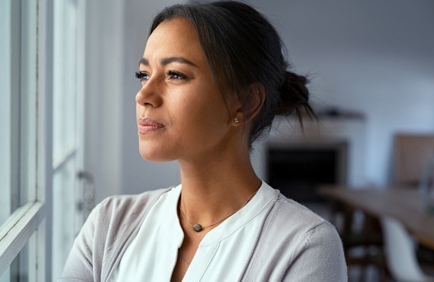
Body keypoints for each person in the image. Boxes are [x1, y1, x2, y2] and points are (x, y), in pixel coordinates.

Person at [60, 1, 347, 281]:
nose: (143, 95)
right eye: (144, 75)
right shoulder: (109, 225)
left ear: (245, 103)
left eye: (175, 74)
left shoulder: (305, 247)